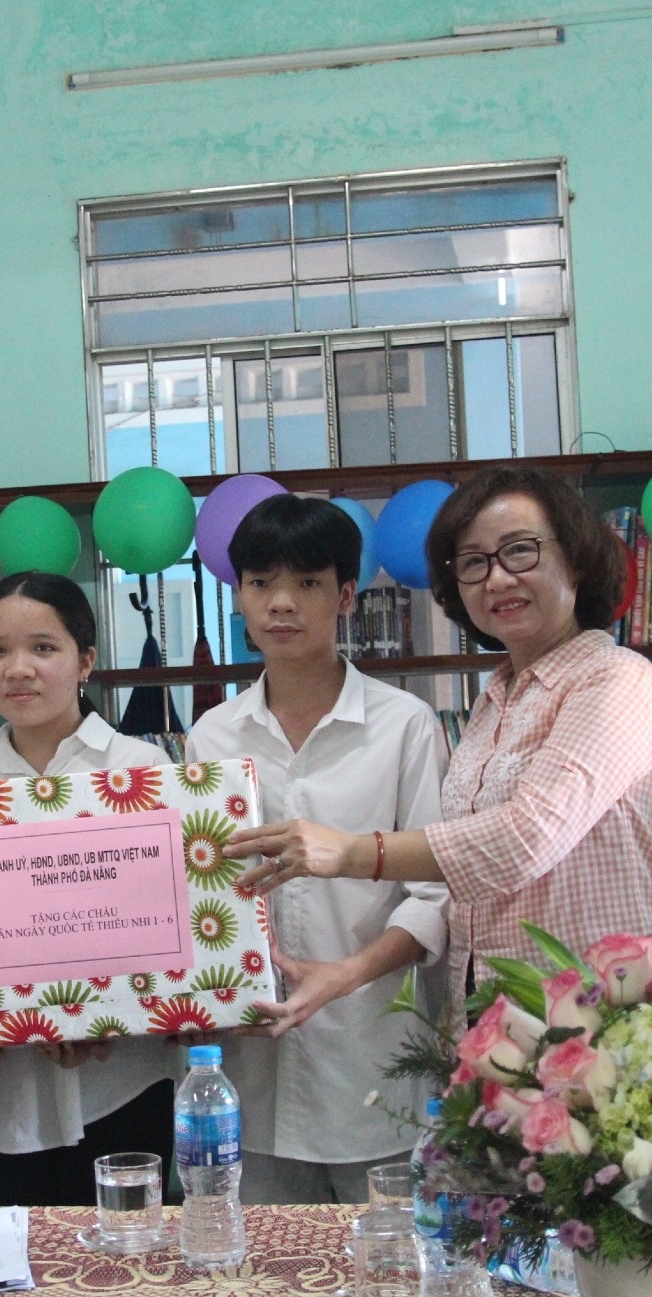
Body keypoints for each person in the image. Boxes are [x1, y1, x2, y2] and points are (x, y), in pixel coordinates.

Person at [226, 466, 652, 1028]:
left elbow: (528, 835)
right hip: (493, 1023)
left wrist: (348, 852)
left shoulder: (614, 678)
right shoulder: (493, 703)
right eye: (474, 563)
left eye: (520, 551)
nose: (498, 579)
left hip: (597, 1015)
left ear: (577, 558)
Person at [186, 494, 449, 1204]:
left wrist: (346, 972)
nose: (282, 603)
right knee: (264, 1291)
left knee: (393, 1278)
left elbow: (436, 890)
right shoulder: (210, 737)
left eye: (306, 583)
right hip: (250, 1071)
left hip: (372, 1061)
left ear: (345, 595)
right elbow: (197, 891)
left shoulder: (405, 728)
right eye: (262, 581)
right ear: (237, 593)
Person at [0, 571, 180, 1206]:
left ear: (86, 660)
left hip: (123, 1076)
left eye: (42, 648)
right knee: (12, 1274)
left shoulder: (143, 772)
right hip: (0, 1088)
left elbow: (169, 929)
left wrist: (106, 1010)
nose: (17, 668)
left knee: (130, 1271)